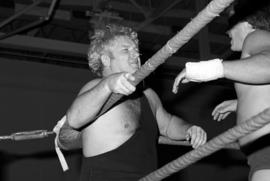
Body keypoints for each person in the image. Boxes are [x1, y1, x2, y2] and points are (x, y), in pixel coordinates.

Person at [57, 24, 207, 181]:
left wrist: (189, 129)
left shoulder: (149, 95)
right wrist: (108, 84)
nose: (136, 55)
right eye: (126, 50)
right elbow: (74, 119)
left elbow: (168, 124)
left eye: (136, 50)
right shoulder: (96, 88)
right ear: (106, 59)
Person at [172, 4, 270, 181]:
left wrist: (209, 70)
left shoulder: (256, 36)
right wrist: (241, 104)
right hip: (260, 155)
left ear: (248, 23)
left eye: (231, 23)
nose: (227, 31)